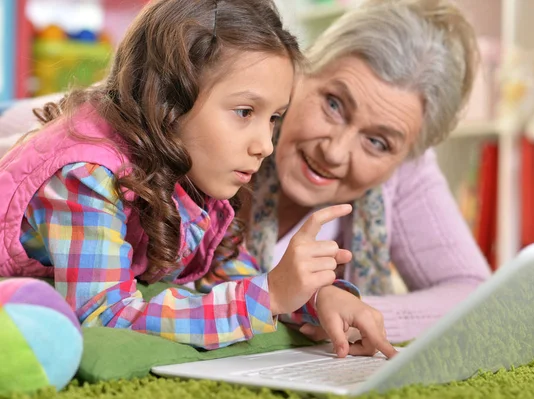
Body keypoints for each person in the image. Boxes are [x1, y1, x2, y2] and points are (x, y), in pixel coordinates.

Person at [0, 0, 395, 358]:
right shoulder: (88, 175)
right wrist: (268, 296)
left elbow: (218, 266)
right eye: (244, 111)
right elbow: (103, 314)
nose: (265, 145)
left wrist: (313, 296)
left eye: (273, 117)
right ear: (169, 101)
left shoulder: (188, 168)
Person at [213, 0, 492, 345]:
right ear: (303, 70)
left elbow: (474, 294)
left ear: (405, 157)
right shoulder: (227, 115)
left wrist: (350, 310)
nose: (334, 152)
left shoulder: (405, 170)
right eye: (333, 104)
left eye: (377, 142)